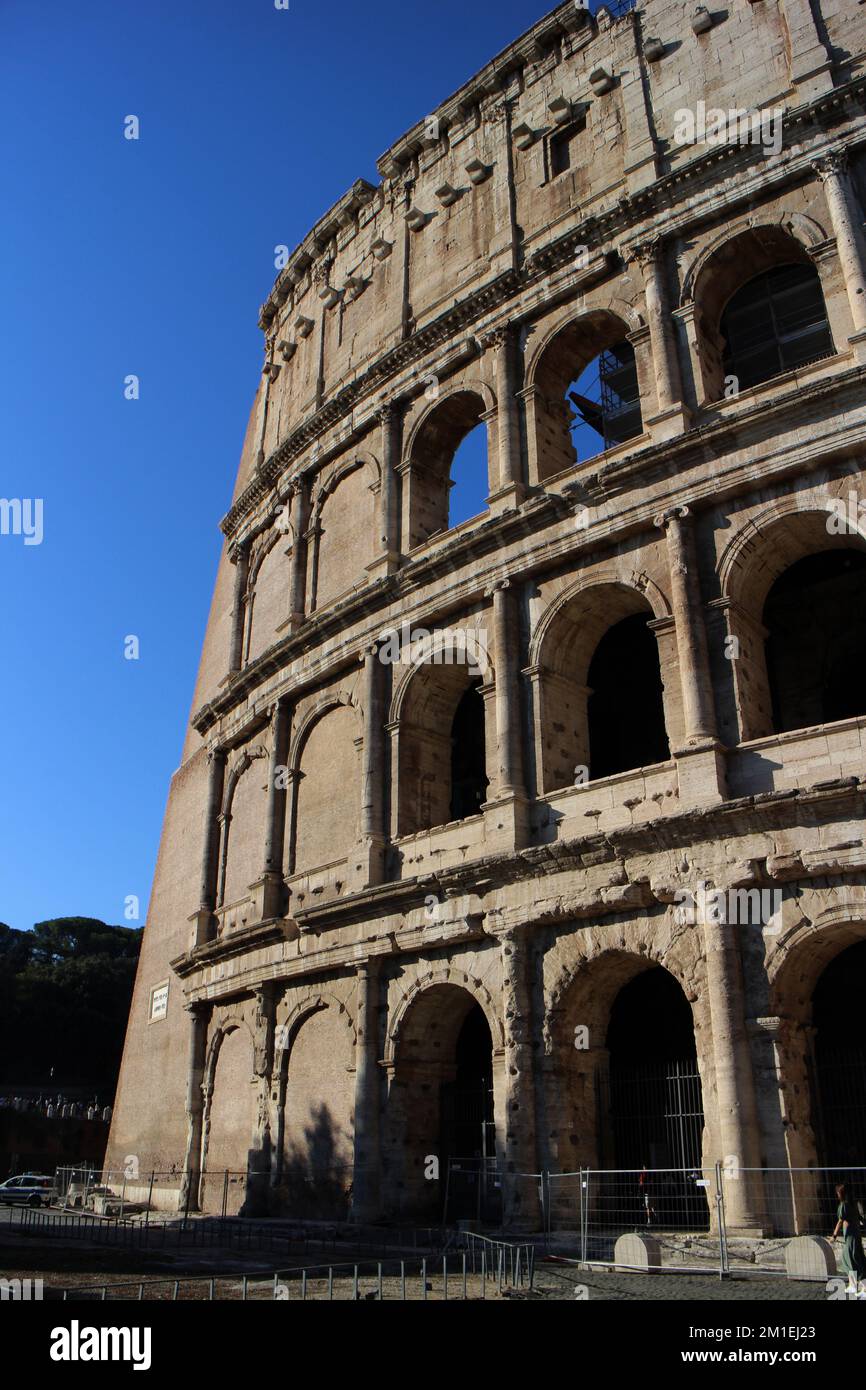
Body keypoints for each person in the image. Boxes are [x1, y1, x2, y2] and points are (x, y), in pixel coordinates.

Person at [831, 1183, 866, 1297]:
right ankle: (852, 1285)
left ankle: (864, 1288)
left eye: (838, 1193)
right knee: (851, 1259)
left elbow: (840, 1221)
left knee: (854, 1261)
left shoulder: (844, 1206)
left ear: (841, 1194)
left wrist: (834, 1235)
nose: (837, 1194)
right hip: (855, 1236)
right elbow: (860, 1218)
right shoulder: (854, 1203)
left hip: (851, 1237)